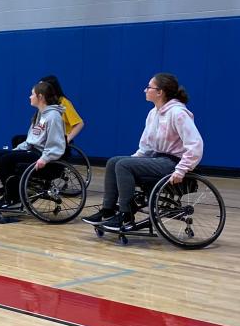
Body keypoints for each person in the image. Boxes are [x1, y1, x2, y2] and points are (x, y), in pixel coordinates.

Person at [83, 73, 204, 231]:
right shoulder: (153, 113)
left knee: (123, 165)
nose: (145, 90)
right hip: (157, 159)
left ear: (160, 92)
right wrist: (132, 160)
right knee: (114, 162)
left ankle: (126, 213)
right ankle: (108, 209)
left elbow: (196, 144)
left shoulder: (177, 113)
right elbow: (146, 147)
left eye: (149, 87)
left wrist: (182, 169)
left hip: (172, 163)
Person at [0, 78, 66, 208]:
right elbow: (30, 140)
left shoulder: (53, 116)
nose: (30, 97)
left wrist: (45, 158)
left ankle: (13, 196)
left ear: (40, 97)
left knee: (5, 160)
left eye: (32, 94)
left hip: (42, 156)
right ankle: (11, 191)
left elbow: (56, 144)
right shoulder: (39, 115)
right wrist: (16, 150)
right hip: (32, 151)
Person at [10, 75, 84, 147]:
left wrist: (67, 139)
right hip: (45, 137)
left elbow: (80, 124)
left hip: (56, 140)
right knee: (18, 140)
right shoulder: (45, 105)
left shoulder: (63, 102)